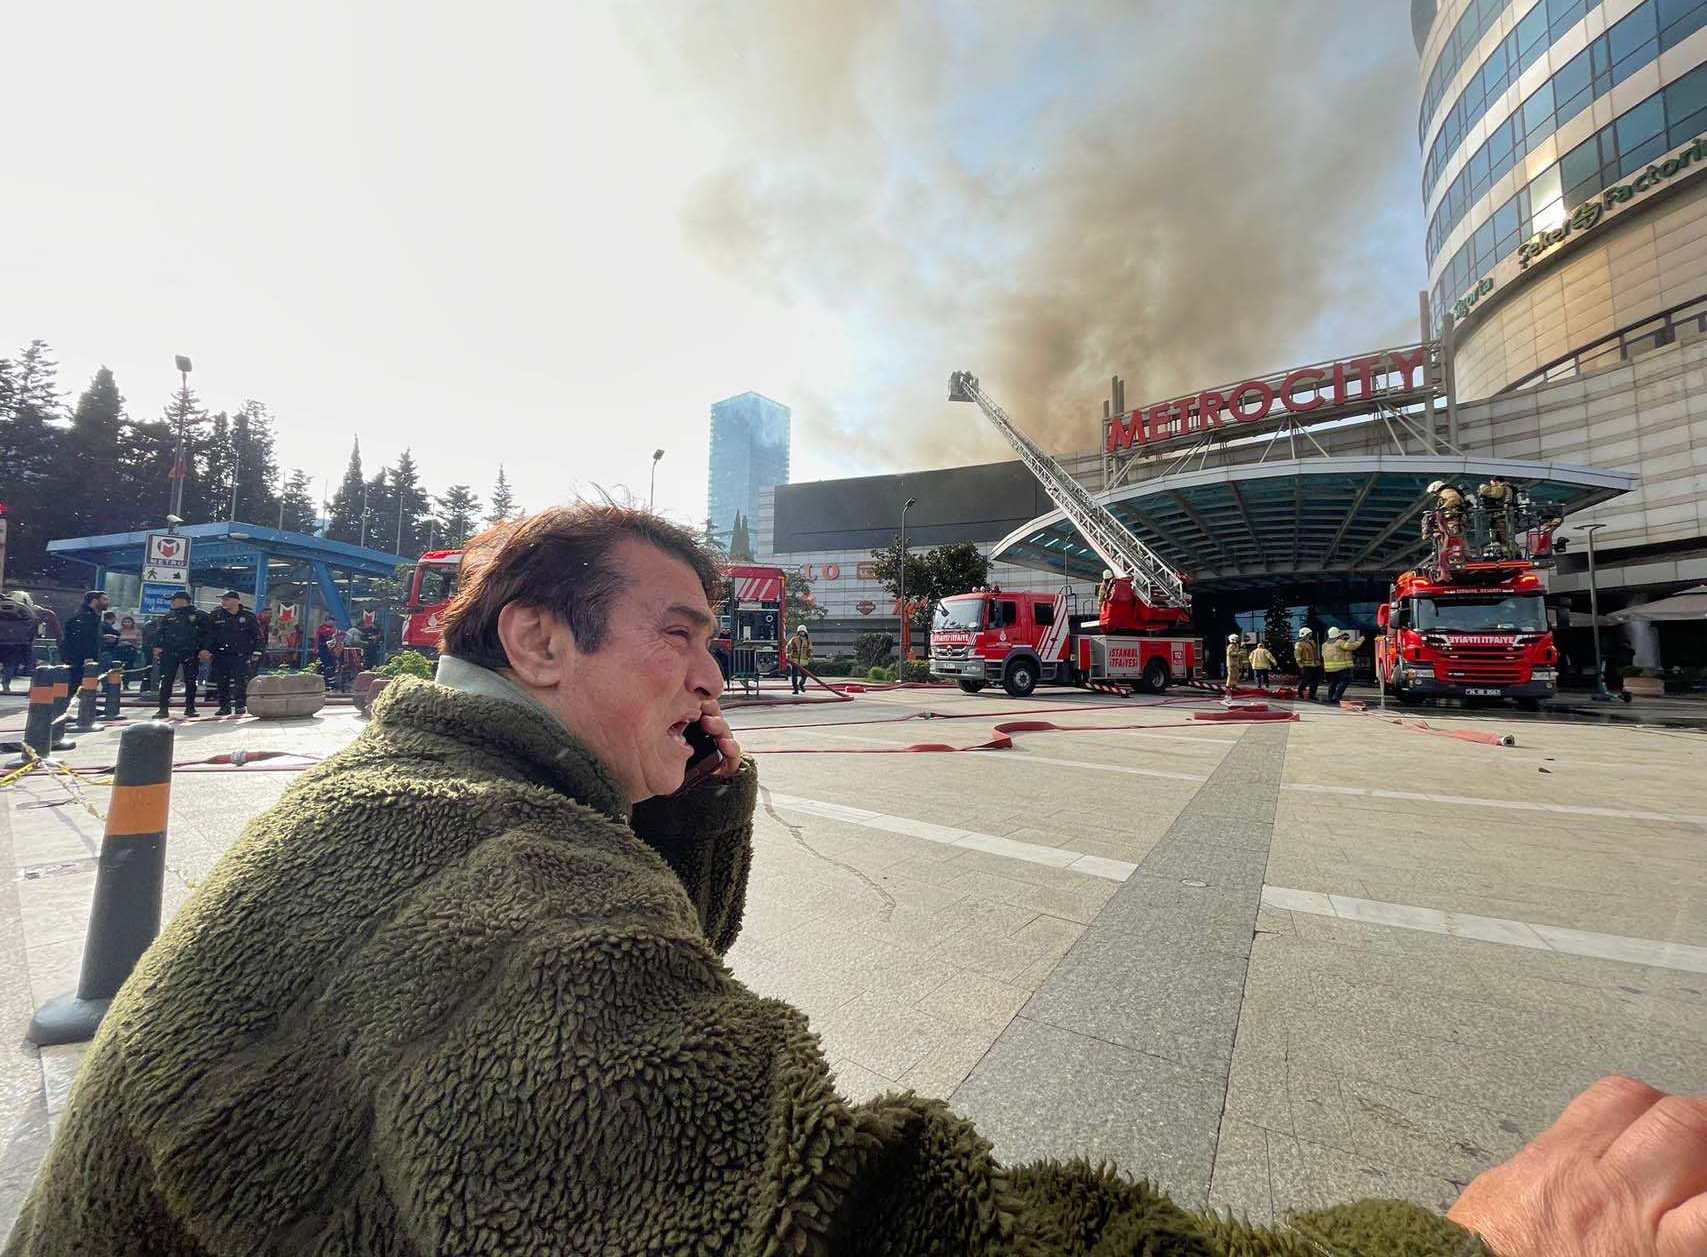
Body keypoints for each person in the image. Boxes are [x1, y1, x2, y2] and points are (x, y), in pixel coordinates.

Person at [9, 503, 1704, 1257]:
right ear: (534, 639)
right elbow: (828, 1226)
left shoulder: (429, 803)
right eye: (681, 634)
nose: (718, 672)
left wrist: (676, 809)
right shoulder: (484, 893)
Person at [152, 592, 209, 719]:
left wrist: (205, 649)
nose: (171, 602)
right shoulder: (169, 615)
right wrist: (157, 646)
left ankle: (190, 707)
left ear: (183, 600)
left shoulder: (200, 615)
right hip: (170, 651)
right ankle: (163, 708)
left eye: (174, 600)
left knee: (190, 680)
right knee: (167, 680)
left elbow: (207, 634)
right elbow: (160, 632)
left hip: (191, 651)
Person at [206, 591, 262, 716]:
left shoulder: (248, 616)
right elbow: (209, 635)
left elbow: (257, 635)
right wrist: (207, 650)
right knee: (222, 682)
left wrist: (257, 651)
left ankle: (240, 705)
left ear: (236, 601)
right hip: (220, 655)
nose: (223, 602)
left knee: (241, 681)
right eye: (223, 600)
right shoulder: (216, 616)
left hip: (241, 654)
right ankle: (224, 706)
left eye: (226, 599)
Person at [60, 590, 109, 678]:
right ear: (95, 601)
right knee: (82, 682)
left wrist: (102, 638)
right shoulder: (84, 617)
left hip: (85, 659)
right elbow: (81, 639)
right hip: (81, 660)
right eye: (104, 599)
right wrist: (87, 657)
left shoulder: (92, 616)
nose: (107, 603)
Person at [0, 590, 38, 693]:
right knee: (10, 663)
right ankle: (6, 684)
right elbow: (32, 626)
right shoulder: (25, 610)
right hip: (16, 643)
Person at [1323, 624, 1366, 705]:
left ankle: (1330, 697)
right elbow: (1352, 646)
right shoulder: (1340, 642)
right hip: (1341, 668)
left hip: (1329, 668)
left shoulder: (1325, 644)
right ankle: (1336, 697)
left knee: (1333, 683)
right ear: (1338, 635)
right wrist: (1360, 640)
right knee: (1344, 681)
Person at [1478, 475, 1516, 558]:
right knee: (1504, 537)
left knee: (1503, 537)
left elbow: (1489, 492)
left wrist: (1482, 487)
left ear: (1497, 482)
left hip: (1502, 516)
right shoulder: (1508, 488)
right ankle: (1512, 554)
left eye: (1492, 484)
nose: (1492, 487)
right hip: (1506, 516)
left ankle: (1509, 556)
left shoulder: (1502, 488)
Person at [1293, 625, 1322, 702]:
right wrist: (1301, 665)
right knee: (1305, 680)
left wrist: (1319, 663)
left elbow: (1316, 653)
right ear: (1306, 634)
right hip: (1306, 666)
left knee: (1315, 681)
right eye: (1309, 633)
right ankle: (1300, 693)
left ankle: (1312, 696)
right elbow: (1297, 655)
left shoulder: (1312, 642)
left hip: (1314, 665)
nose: (1311, 635)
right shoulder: (1299, 644)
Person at [784, 623, 812, 693]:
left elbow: (810, 649)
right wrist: (788, 654)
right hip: (795, 661)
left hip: (804, 661)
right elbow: (788, 647)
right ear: (798, 632)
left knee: (805, 675)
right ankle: (795, 689)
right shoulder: (794, 639)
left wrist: (810, 656)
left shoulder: (807, 641)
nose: (802, 633)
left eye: (803, 632)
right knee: (794, 676)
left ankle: (801, 684)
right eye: (800, 631)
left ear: (805, 632)